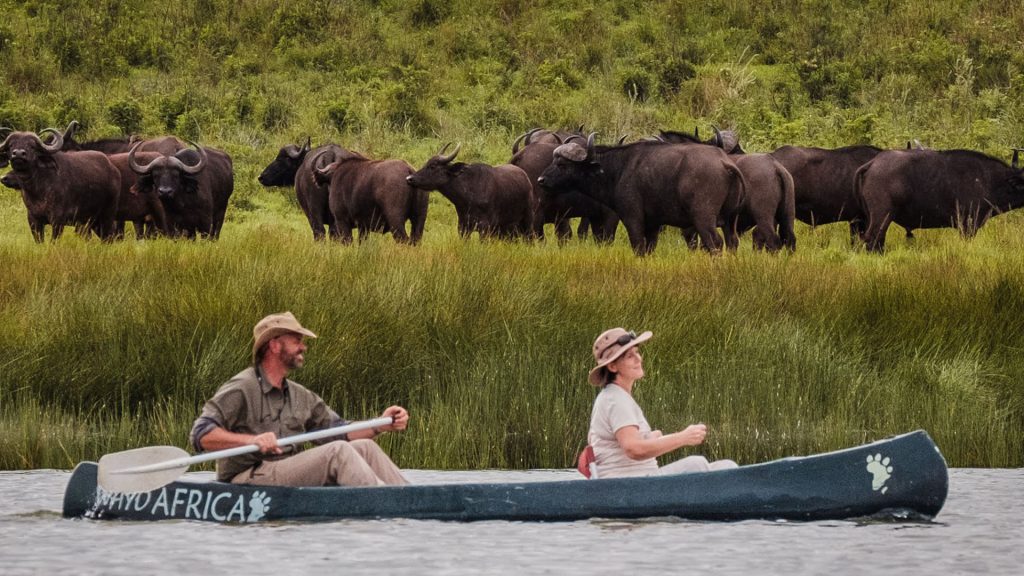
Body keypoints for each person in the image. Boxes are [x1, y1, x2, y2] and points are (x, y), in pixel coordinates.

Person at [189, 311, 409, 487]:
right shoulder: (241, 387)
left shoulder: (300, 395)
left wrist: (380, 424)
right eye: (296, 341)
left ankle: (414, 501)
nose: (303, 347)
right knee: (338, 452)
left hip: (287, 470)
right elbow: (201, 434)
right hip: (247, 478)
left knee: (364, 447)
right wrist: (251, 441)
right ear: (274, 345)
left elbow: (338, 431)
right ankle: (383, 504)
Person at [586, 327, 737, 478]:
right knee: (696, 464)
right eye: (629, 356)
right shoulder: (615, 399)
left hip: (639, 481)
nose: (639, 359)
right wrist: (683, 437)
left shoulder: (616, 396)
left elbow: (628, 443)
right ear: (612, 366)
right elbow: (634, 449)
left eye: (637, 352)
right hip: (628, 485)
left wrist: (650, 438)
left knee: (728, 466)